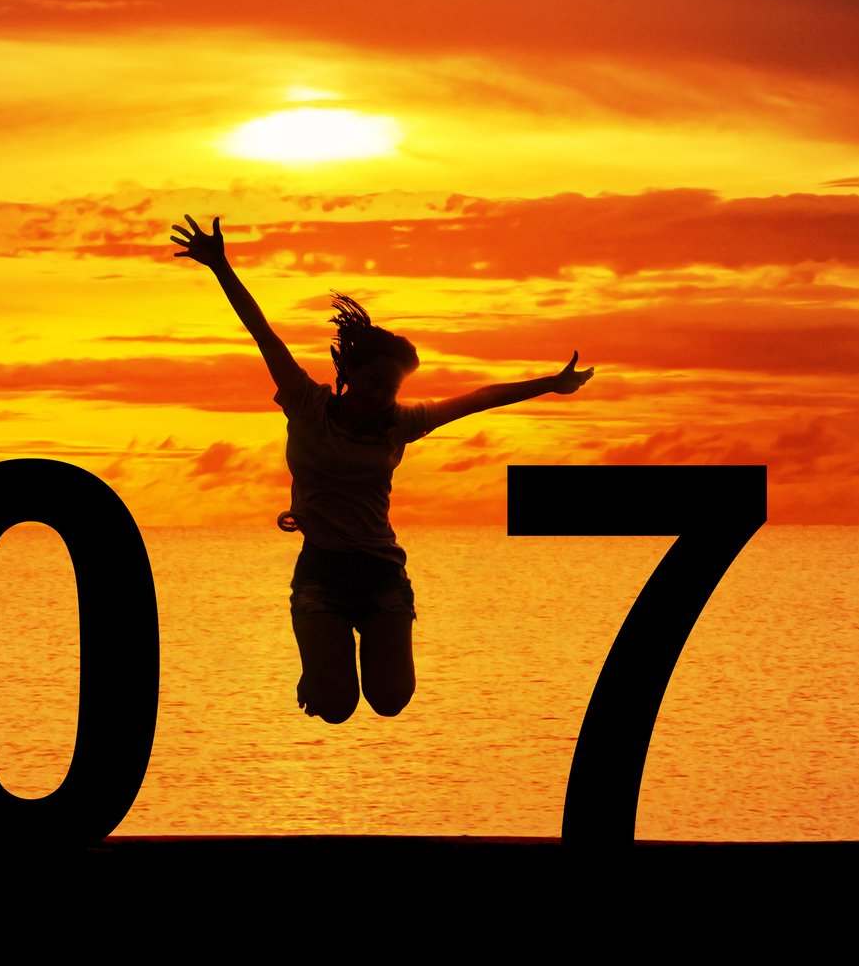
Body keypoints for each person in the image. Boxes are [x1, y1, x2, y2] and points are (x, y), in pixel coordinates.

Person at [170, 213, 593, 723]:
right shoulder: (307, 404)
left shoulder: (400, 423)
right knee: (334, 706)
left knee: (390, 701)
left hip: (381, 573)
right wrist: (219, 265)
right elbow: (262, 333)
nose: (380, 395)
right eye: (372, 382)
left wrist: (549, 383)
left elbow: (479, 399)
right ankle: (319, 665)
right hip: (321, 572)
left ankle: (337, 654)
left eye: (390, 388)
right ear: (349, 372)